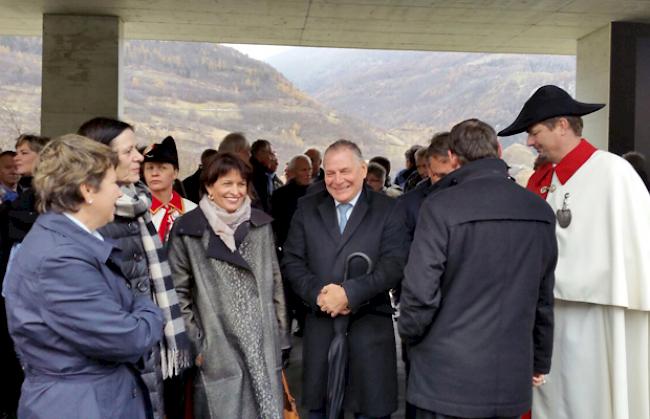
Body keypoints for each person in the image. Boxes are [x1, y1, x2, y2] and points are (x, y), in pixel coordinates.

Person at [498, 85, 650, 419]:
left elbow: (634, 254)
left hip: (598, 320)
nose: (529, 142)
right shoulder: (541, 180)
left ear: (562, 125)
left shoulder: (615, 174)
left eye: (534, 132)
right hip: (548, 322)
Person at [399, 119, 557, 419]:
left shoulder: (440, 206)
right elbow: (543, 297)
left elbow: (420, 291)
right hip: (510, 375)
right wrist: (539, 359)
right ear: (498, 150)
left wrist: (411, 338)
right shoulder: (539, 210)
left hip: (445, 377)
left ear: (454, 158)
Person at [3, 134, 164, 419]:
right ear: (88, 190)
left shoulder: (69, 243)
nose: (118, 193)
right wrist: (150, 308)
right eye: (114, 184)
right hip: (80, 406)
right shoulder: (59, 259)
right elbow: (128, 337)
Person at [282, 139, 407, 419]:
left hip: (369, 333)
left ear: (363, 170)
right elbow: (292, 261)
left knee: (370, 410)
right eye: (330, 173)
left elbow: (394, 264)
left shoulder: (388, 209)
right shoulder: (307, 208)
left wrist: (350, 294)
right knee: (322, 411)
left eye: (345, 171)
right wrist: (319, 295)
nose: (337, 180)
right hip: (322, 330)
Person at [79, 117, 190, 419]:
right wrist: (146, 323)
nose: (140, 158)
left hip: (146, 349)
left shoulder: (137, 204)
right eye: (129, 151)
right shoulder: (91, 218)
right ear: (102, 157)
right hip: (119, 358)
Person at [167, 152, 290, 419]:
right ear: (210, 187)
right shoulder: (189, 229)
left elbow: (275, 282)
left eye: (240, 184)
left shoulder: (260, 224)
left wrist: (280, 337)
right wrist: (199, 346)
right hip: (218, 348)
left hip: (262, 346)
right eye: (227, 183)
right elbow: (178, 293)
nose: (235, 191)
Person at [143, 136, 197, 244]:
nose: (154, 173)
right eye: (149, 168)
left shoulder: (193, 212)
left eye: (162, 168)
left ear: (175, 173)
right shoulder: (138, 210)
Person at [250, 139, 281, 213]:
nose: (272, 157)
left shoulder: (265, 175)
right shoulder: (252, 175)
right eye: (270, 153)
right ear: (260, 154)